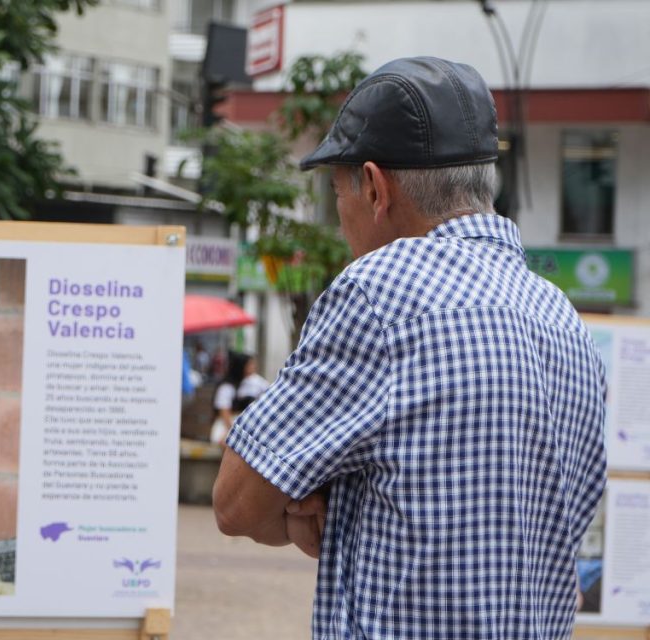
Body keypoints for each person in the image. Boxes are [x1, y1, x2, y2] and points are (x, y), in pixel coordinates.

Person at [213, 57, 606, 639]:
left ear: (374, 187)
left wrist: (306, 502)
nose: (339, 219)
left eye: (336, 191)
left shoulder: (380, 293)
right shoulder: (564, 321)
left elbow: (235, 501)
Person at [209, 352, 268, 444]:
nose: (253, 366)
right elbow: (224, 413)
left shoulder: (258, 382)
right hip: (229, 425)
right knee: (230, 441)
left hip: (251, 424)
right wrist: (236, 431)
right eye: (250, 364)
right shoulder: (227, 386)